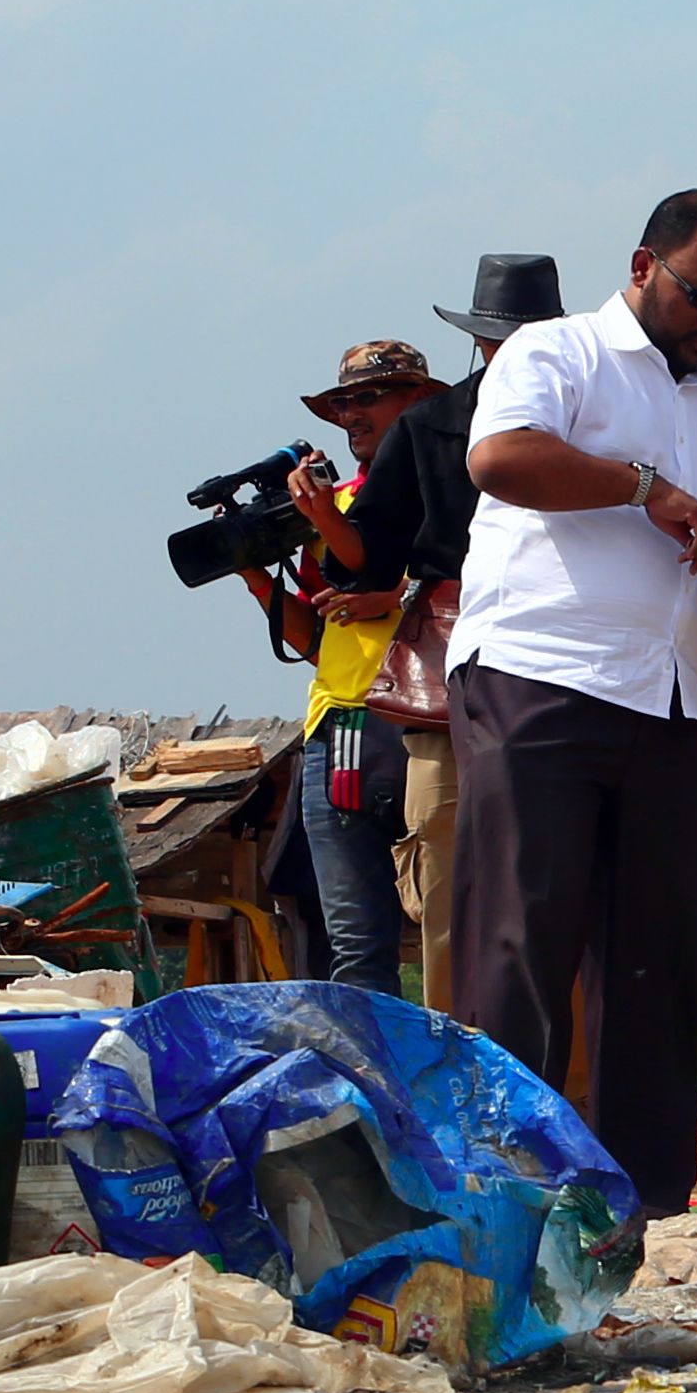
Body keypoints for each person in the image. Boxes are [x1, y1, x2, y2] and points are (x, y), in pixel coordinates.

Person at [454, 193, 697, 1218]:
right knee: (523, 937)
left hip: (672, 700)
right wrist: (642, 487)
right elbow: (498, 459)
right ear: (644, 264)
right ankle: (501, 1192)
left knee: (659, 950)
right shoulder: (558, 352)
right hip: (541, 674)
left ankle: (647, 1198)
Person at [380, 253, 570, 1014]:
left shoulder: (593, 424)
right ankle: (450, 1086)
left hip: (567, 672)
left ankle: (569, 1100)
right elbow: (365, 558)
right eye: (500, 338)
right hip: (454, 672)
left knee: (561, 891)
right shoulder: (427, 428)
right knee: (449, 878)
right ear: (481, 343)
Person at [276, 338, 461, 997]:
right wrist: (249, 571)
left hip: (427, 722)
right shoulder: (327, 507)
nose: (354, 413)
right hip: (341, 724)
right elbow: (312, 636)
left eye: (370, 398)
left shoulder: (455, 486)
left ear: (418, 401)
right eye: (344, 403)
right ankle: (376, 1097)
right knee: (355, 951)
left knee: (450, 929)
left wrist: (397, 593)